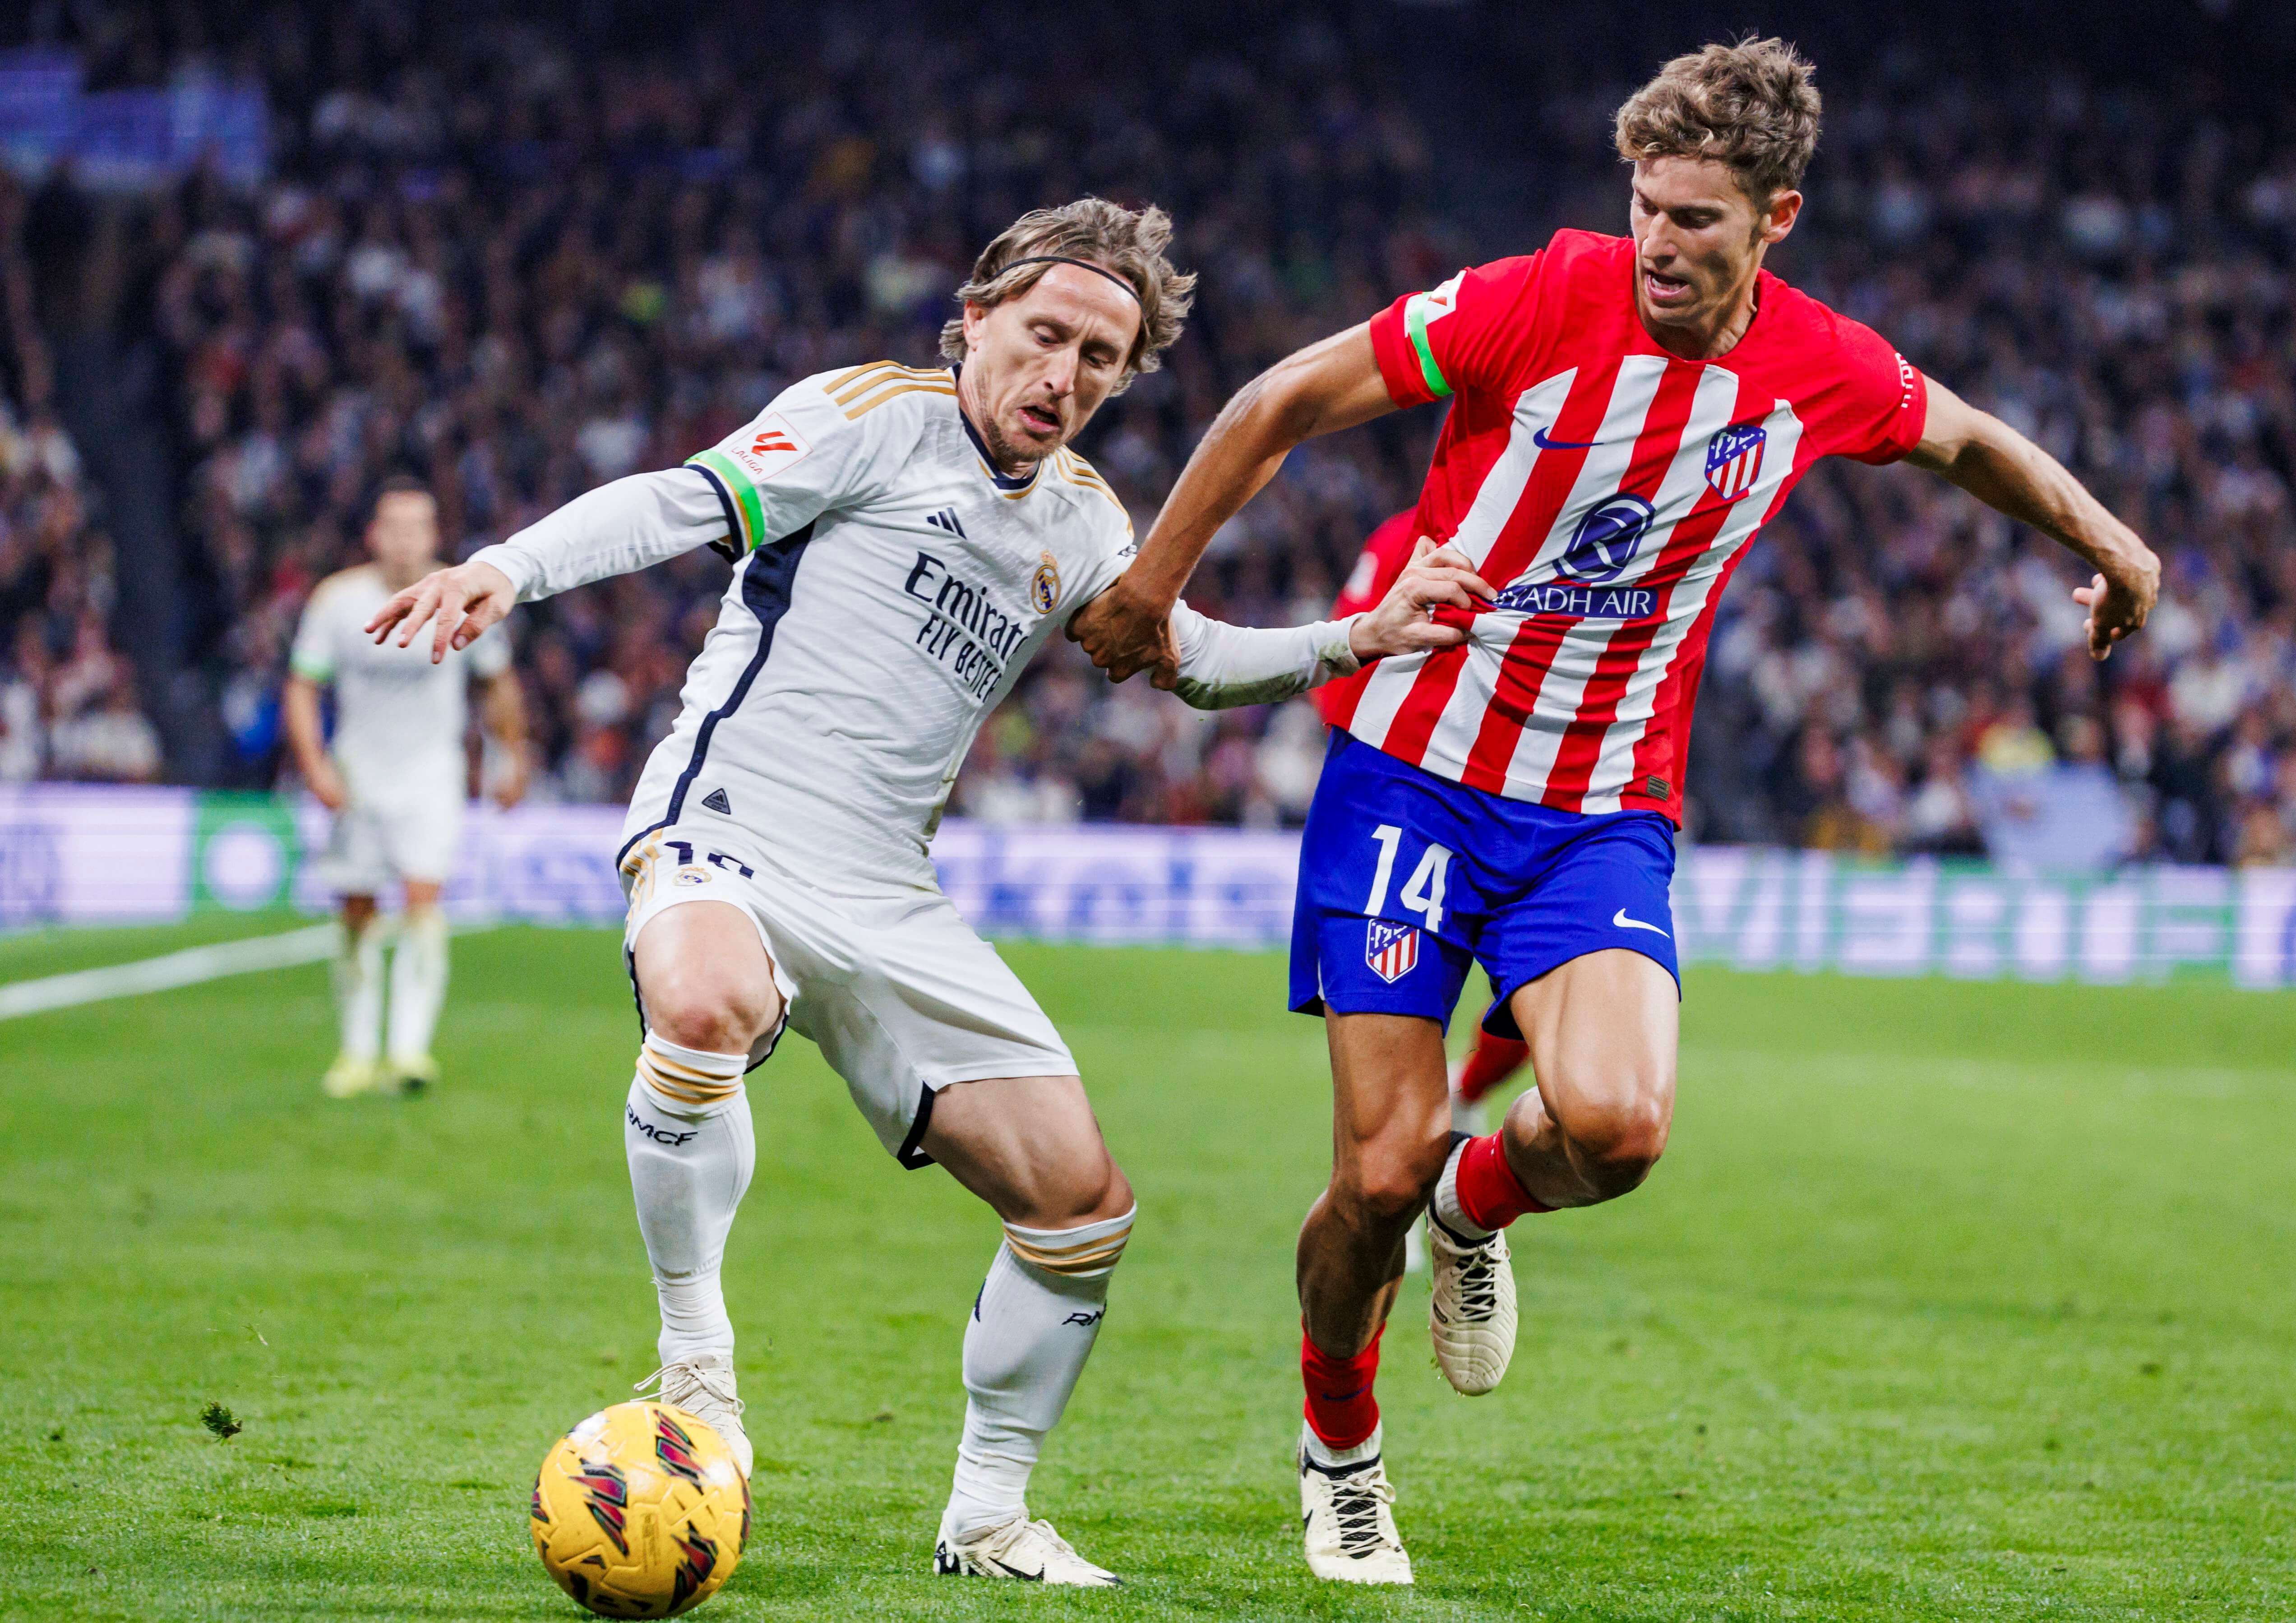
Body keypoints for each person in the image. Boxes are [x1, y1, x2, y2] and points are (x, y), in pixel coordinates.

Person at [1071, 39, 2162, 1585]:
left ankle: (1474, 1201)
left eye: (1697, 220)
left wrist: (2113, 542)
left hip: (1596, 810)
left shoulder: (1819, 366)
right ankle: (1340, 1450)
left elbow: (1966, 439)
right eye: (1646, 206)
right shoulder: (1535, 295)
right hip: (1409, 770)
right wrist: (1148, 587)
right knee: (1365, 1172)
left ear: (1772, 220)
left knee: (1617, 1123)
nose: (1659, 241)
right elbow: (1278, 400)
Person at [365, 199, 1484, 1587]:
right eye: (1044, 336)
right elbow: (681, 493)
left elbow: (1179, 651)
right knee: (706, 999)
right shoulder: (866, 417)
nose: (1063, 375)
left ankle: (987, 1517)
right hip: (731, 824)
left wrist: (1357, 636)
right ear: (972, 321)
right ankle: (696, 1360)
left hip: (888, 891)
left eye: (1100, 357)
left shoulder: (1078, 517)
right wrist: (504, 568)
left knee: (1081, 1204)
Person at [1323, 508, 1535, 1294]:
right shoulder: (1404, 534)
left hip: (1535, 814)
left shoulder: (1584, 530)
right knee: (1387, 1031)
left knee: (1539, 1025)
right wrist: (1369, 750)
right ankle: (1397, 1199)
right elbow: (1346, 643)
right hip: (1413, 804)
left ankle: (1466, 1101)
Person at [285, 475, 529, 1098]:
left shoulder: (462, 595)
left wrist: (513, 755)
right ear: (373, 534)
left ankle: (409, 1050)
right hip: (360, 773)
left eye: (416, 527)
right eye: (393, 527)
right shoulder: (336, 600)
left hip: (431, 773)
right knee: (359, 909)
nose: (404, 541)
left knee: (423, 900)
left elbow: (498, 683)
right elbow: (303, 686)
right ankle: (358, 1051)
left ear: (434, 535)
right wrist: (315, 764)